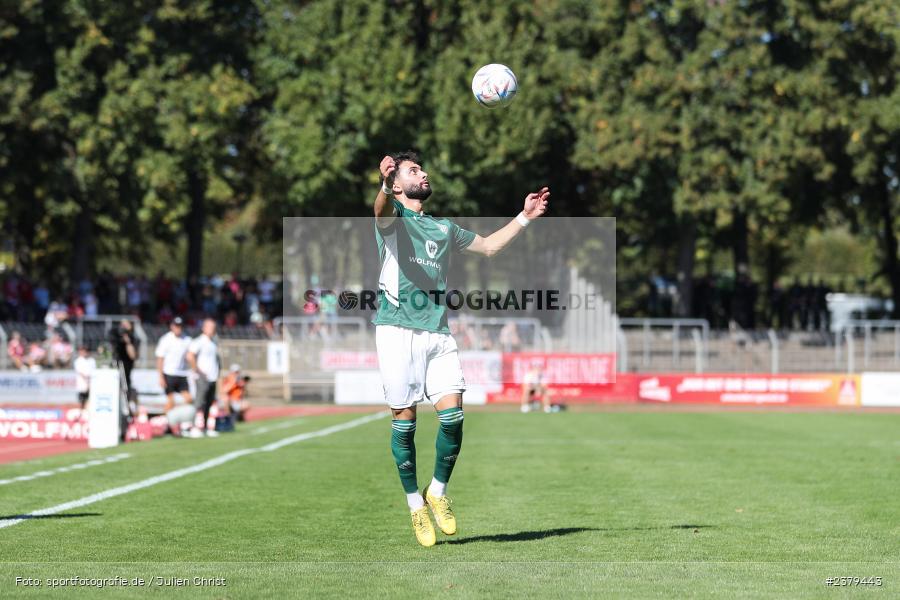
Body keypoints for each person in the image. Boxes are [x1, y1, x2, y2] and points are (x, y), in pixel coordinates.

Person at [373, 151, 549, 546]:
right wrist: (383, 185)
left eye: (422, 168)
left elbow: (488, 247)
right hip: (396, 331)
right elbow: (380, 208)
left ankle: (437, 491)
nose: (424, 173)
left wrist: (524, 217)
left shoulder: (444, 228)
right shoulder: (393, 221)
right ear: (398, 184)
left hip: (437, 332)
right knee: (405, 420)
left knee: (453, 418)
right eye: (414, 171)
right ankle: (415, 503)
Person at [155, 316, 195, 434]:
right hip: (169, 373)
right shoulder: (166, 339)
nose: (178, 328)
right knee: (170, 402)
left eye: (180, 326)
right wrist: (161, 376)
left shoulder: (186, 339)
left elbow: (189, 356)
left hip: (182, 374)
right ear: (172, 326)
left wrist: (194, 368)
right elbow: (160, 359)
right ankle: (167, 424)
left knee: (188, 399)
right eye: (176, 326)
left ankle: (182, 422)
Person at [186, 318, 221, 437]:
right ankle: (194, 427)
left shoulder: (213, 342)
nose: (212, 330)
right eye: (210, 327)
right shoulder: (199, 341)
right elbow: (190, 356)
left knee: (209, 403)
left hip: (212, 377)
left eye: (213, 327)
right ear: (204, 328)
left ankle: (205, 427)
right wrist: (198, 371)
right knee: (199, 402)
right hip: (202, 377)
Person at [110, 319, 139, 396]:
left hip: (126, 366)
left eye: (126, 325)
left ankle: (127, 398)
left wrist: (128, 341)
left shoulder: (133, 338)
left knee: (125, 383)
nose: (124, 328)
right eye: (122, 325)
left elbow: (133, 356)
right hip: (117, 362)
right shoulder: (116, 335)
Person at [73, 346, 96, 415]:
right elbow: (81, 373)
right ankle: (80, 414)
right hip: (82, 384)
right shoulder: (78, 361)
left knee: (89, 400)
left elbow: (93, 372)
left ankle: (86, 414)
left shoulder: (92, 360)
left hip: (91, 384)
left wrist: (90, 383)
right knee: (81, 400)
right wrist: (87, 382)